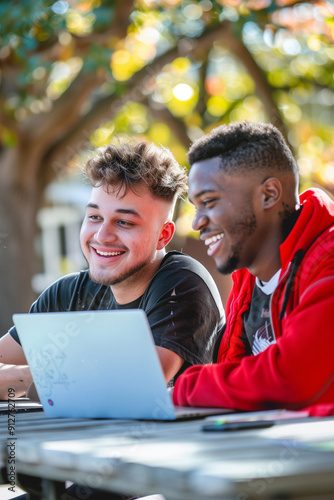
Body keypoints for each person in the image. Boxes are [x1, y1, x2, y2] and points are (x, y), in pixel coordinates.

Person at [0, 138, 225, 400]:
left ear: (163, 236)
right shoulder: (67, 295)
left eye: (124, 222)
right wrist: (54, 376)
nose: (102, 235)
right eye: (94, 217)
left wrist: (26, 376)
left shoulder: (181, 282)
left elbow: (142, 379)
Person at [173, 121, 334, 414]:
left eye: (208, 202)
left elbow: (292, 380)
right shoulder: (248, 279)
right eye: (196, 207)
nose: (197, 222)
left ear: (270, 194)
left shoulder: (328, 261)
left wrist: (183, 387)